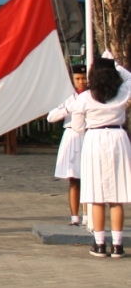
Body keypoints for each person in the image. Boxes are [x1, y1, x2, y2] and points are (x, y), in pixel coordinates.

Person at [69, 53, 131, 258]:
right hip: (117, 137)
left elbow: (77, 127)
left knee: (96, 195)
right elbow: (129, 77)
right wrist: (115, 64)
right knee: (117, 196)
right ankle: (118, 245)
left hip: (94, 138)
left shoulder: (85, 97)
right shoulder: (122, 91)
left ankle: (100, 243)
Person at [46, 65, 89, 227]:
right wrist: (68, 108)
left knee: (88, 178)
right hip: (71, 135)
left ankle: (87, 215)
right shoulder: (67, 97)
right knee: (73, 178)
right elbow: (51, 117)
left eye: (84, 78)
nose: (81, 82)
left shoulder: (92, 95)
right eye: (78, 79)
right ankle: (74, 217)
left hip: (87, 135)